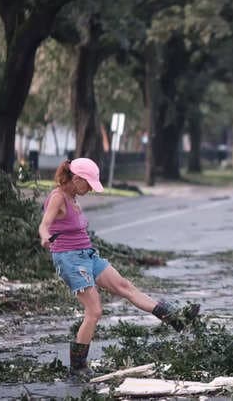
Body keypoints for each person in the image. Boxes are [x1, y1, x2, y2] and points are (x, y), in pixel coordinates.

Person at [38, 158, 199, 378]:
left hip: (88, 254)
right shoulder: (58, 197)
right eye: (88, 184)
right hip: (70, 260)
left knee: (125, 286)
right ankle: (77, 366)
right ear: (76, 179)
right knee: (94, 310)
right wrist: (45, 236)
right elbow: (45, 223)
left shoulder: (73, 195)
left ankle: (175, 319)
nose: (90, 190)